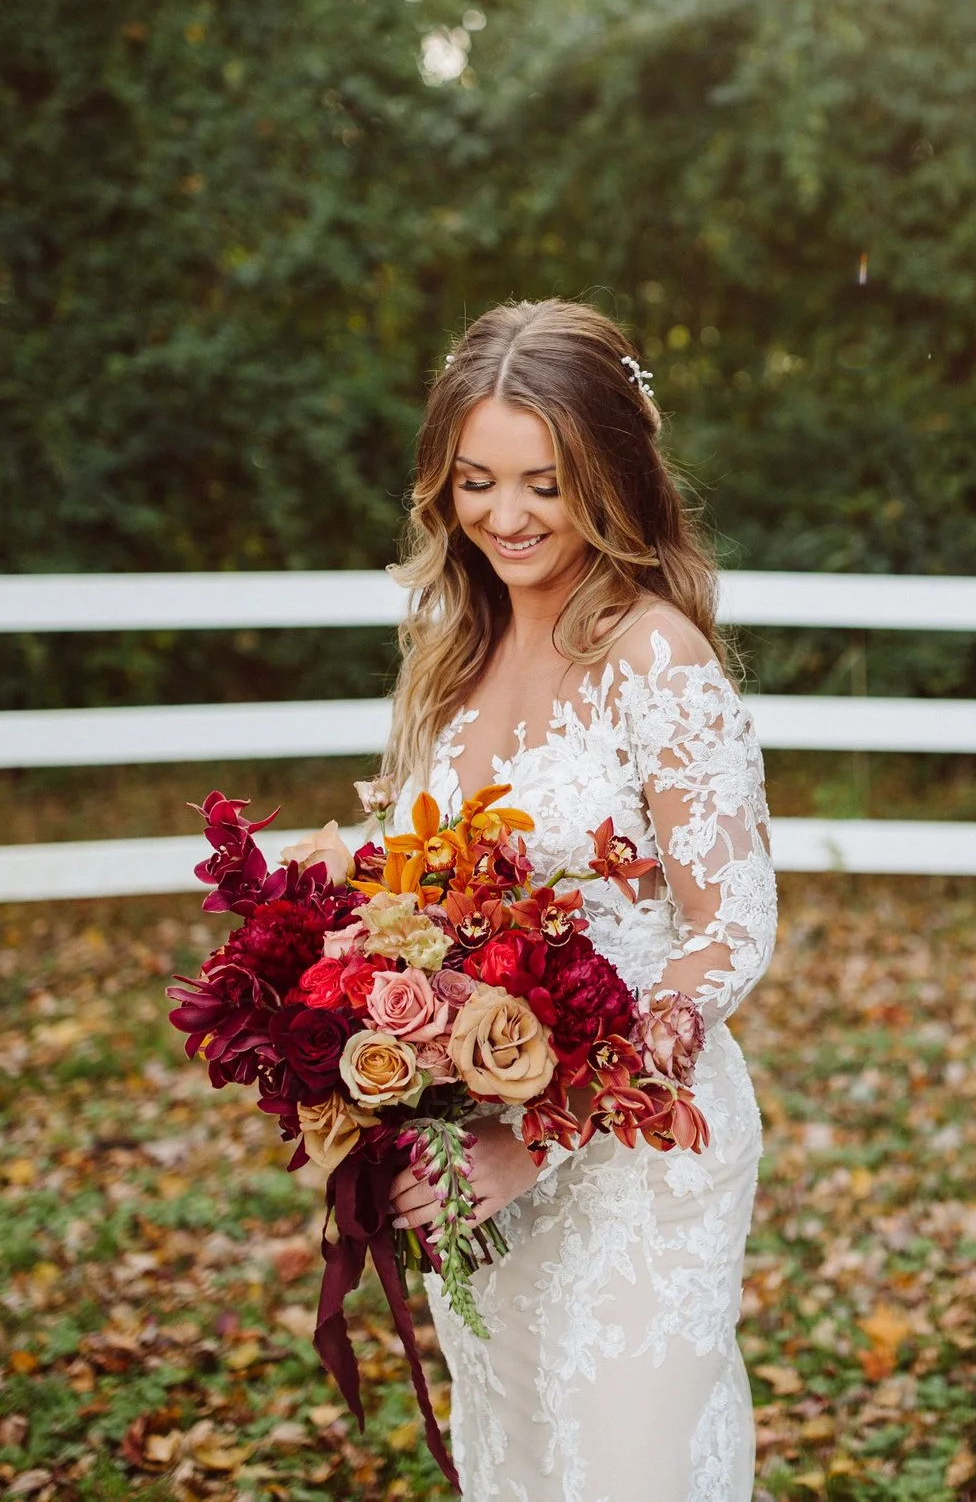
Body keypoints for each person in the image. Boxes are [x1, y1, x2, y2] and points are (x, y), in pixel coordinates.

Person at [373, 297, 775, 1501]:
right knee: (523, 1461)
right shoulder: (454, 648)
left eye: (544, 483)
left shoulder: (652, 655)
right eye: (474, 480)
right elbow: (417, 895)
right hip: (474, 1160)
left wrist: (539, 1133)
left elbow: (729, 927)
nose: (504, 516)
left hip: (636, 1156)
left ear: (608, 475)